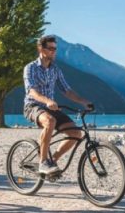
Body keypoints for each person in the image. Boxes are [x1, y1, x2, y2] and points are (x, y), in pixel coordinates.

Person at [23, 35, 93, 174]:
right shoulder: (30, 68)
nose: (53, 52)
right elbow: (32, 91)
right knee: (50, 121)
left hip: (51, 107)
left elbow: (66, 90)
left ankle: (52, 161)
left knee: (76, 133)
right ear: (41, 49)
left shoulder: (55, 70)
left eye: (55, 49)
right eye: (50, 48)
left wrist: (84, 101)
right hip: (33, 106)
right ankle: (43, 162)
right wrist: (47, 101)